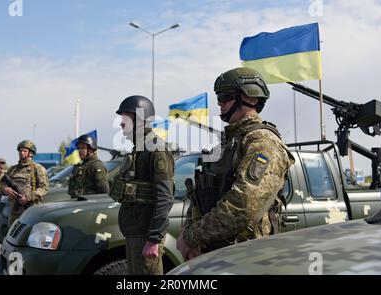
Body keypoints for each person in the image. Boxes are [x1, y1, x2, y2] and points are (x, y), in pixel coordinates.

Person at [177, 67, 295, 260]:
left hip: (247, 255)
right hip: (217, 252)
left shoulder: (262, 142)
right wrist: (193, 235)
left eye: (225, 97)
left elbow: (244, 204)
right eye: (219, 98)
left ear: (252, 98)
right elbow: (201, 195)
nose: (220, 104)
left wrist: (192, 237)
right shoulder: (228, 143)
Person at [110, 95, 174, 275]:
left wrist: (154, 239)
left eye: (125, 119)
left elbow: (165, 197)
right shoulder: (139, 149)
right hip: (135, 231)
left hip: (145, 235)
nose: (121, 125)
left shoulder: (156, 149)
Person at [2, 140, 48, 227]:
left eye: (24, 151)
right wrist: (5, 189)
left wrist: (28, 198)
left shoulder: (38, 169)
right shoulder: (13, 169)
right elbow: (1, 185)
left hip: (31, 210)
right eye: (20, 151)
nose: (21, 153)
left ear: (31, 153)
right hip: (14, 211)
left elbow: (44, 188)